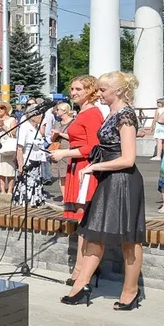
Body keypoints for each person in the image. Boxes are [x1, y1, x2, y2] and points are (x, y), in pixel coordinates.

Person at [62, 71, 145, 310]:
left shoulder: (125, 115)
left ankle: (130, 291)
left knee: (129, 239)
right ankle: (81, 284)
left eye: (102, 89)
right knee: (94, 232)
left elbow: (128, 159)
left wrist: (94, 166)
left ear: (117, 90)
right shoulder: (111, 113)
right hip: (108, 179)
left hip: (124, 181)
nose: (98, 93)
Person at [49, 75, 104, 284]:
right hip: (76, 165)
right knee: (81, 217)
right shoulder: (82, 112)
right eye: (72, 89)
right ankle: (84, 267)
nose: (73, 92)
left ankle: (83, 269)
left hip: (85, 167)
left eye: (79, 89)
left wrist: (64, 153)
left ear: (90, 91)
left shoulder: (92, 113)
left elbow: (93, 146)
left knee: (84, 217)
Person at [13, 109, 50, 208]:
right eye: (39, 115)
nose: (41, 117)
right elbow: (19, 148)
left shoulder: (36, 128)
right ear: (32, 116)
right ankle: (26, 205)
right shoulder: (24, 127)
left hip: (37, 162)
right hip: (28, 163)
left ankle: (34, 204)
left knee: (36, 185)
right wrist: (21, 165)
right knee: (27, 186)